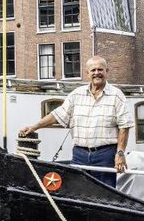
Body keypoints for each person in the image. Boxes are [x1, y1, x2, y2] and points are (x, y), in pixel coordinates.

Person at [19, 55, 133, 187]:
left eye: (100, 69)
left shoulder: (117, 96)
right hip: (80, 154)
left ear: (107, 71)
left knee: (103, 193)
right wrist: (34, 127)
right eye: (93, 70)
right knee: (78, 190)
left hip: (105, 154)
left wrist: (120, 153)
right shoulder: (76, 95)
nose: (97, 73)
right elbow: (57, 115)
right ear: (87, 73)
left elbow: (124, 126)